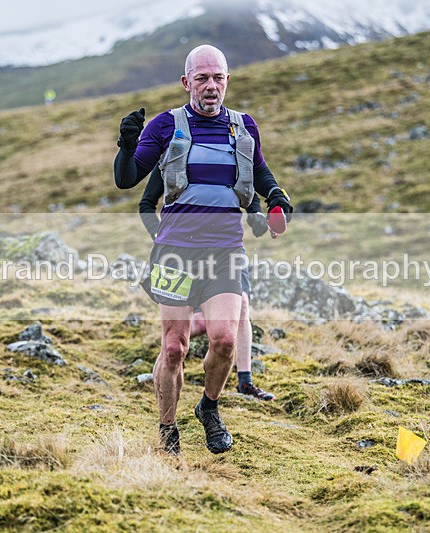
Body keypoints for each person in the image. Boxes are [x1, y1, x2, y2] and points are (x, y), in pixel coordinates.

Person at [114, 44, 293, 456]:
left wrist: (277, 196)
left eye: (218, 78)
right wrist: (126, 146)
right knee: (174, 346)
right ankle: (166, 427)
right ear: (186, 82)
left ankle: (209, 407)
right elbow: (127, 180)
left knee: (226, 339)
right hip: (175, 252)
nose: (210, 87)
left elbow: (260, 171)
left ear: (227, 80)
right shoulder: (165, 125)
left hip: (226, 250)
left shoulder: (243, 127)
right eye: (201, 79)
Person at [139, 165, 275, 401]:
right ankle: (168, 357)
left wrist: (257, 216)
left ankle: (245, 381)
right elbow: (146, 205)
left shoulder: (229, 151)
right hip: (180, 254)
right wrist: (161, 237)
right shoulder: (171, 159)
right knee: (191, 331)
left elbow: (247, 192)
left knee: (242, 305)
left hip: (225, 251)